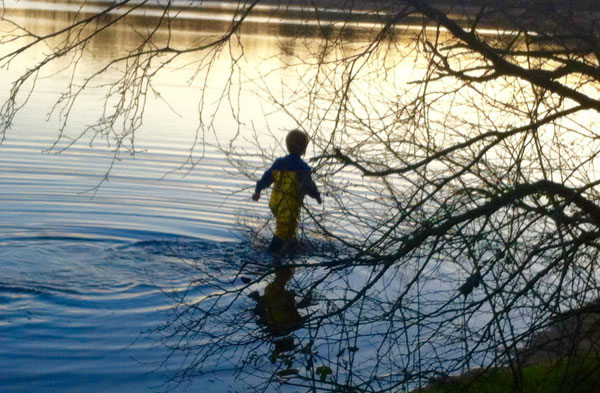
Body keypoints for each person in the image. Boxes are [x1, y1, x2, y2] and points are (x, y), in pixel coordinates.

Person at [252, 129, 322, 252]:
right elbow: (308, 185)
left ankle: (284, 252)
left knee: (288, 229)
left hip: (275, 203)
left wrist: (258, 190)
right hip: (289, 205)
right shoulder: (302, 168)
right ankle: (271, 254)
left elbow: (267, 178)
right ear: (302, 148)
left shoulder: (279, 163)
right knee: (283, 230)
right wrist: (316, 195)